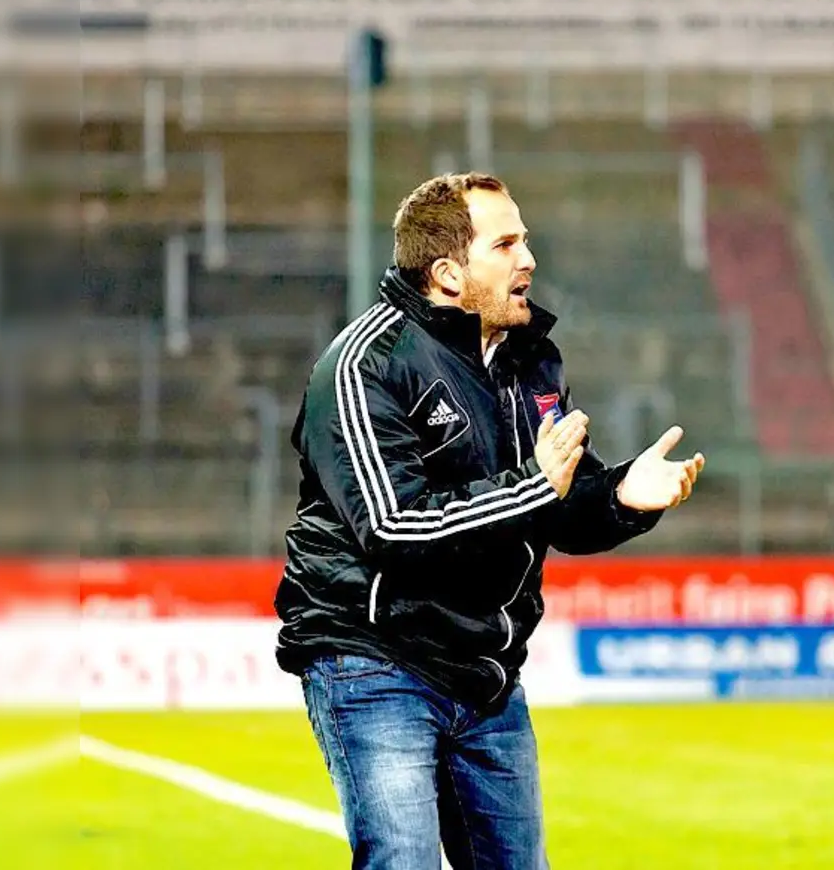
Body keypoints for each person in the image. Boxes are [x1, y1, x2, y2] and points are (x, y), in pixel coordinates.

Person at [274, 172, 705, 869]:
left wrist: (623, 495)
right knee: (403, 861)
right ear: (447, 272)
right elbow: (394, 528)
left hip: (488, 675)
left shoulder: (531, 359)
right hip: (377, 659)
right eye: (505, 244)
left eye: (525, 239)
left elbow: (560, 506)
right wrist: (536, 484)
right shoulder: (365, 366)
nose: (529, 258)